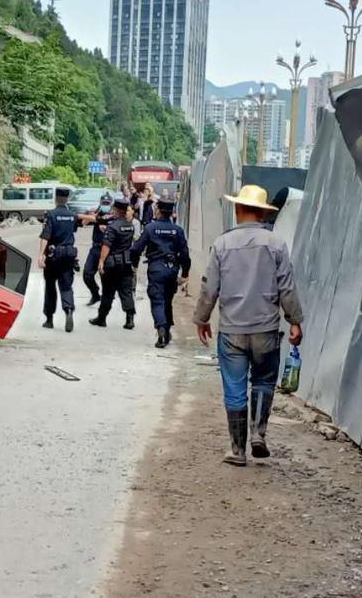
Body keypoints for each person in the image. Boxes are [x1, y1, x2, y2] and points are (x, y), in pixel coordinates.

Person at [193, 185, 304, 466]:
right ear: (262, 212)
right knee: (264, 381)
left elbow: (210, 288)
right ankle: (258, 434)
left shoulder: (221, 244)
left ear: (237, 209)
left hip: (231, 330)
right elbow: (287, 288)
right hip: (266, 329)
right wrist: (295, 321)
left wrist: (202, 318)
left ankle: (238, 451)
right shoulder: (277, 244)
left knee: (234, 387)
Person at [130, 197, 191, 348]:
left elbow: (136, 249)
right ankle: (167, 329)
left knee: (157, 300)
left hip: (156, 268)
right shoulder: (178, 230)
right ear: (171, 213)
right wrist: (184, 274)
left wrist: (134, 266)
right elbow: (185, 254)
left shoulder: (150, 228)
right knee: (167, 300)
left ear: (158, 210)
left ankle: (162, 329)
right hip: (172, 269)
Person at [90, 199, 140, 329]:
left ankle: (102, 318)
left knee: (108, 292)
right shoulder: (130, 226)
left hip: (112, 263)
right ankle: (130, 319)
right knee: (126, 291)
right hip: (126, 263)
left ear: (116, 210)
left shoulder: (113, 226)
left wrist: (101, 261)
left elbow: (106, 245)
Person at [37, 186, 80, 332]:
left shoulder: (51, 214)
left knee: (50, 287)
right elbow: (73, 230)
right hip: (68, 255)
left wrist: (41, 255)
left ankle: (49, 319)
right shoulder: (72, 215)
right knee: (66, 286)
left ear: (56, 199)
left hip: (53, 256)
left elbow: (46, 236)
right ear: (67, 199)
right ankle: (68, 310)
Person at [80, 196, 111, 305]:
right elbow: (83, 223)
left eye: (107, 203)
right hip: (95, 248)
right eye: (104, 203)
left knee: (106, 277)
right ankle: (95, 294)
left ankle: (106, 301)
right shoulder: (97, 212)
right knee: (87, 274)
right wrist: (92, 214)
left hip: (107, 249)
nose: (105, 205)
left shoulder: (113, 215)